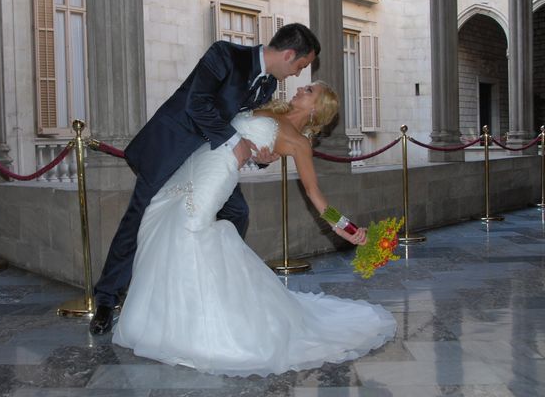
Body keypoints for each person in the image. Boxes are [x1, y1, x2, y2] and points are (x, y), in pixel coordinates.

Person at [113, 81, 396, 376]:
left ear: (317, 109)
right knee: (157, 216)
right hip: (196, 161)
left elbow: (315, 195)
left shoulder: (300, 143)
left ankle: (194, 328)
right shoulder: (268, 109)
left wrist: (345, 226)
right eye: (305, 86)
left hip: (217, 175)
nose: (301, 89)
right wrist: (258, 156)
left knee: (190, 228)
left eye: (309, 91)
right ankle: (162, 319)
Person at [90, 23, 322, 334]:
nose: (297, 75)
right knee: (138, 217)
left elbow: (244, 127)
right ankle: (106, 298)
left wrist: (259, 157)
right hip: (171, 147)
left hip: (209, 159)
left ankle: (215, 288)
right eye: (301, 66)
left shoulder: (266, 87)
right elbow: (196, 103)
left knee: (237, 213)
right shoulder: (224, 53)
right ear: (289, 54)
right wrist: (234, 142)